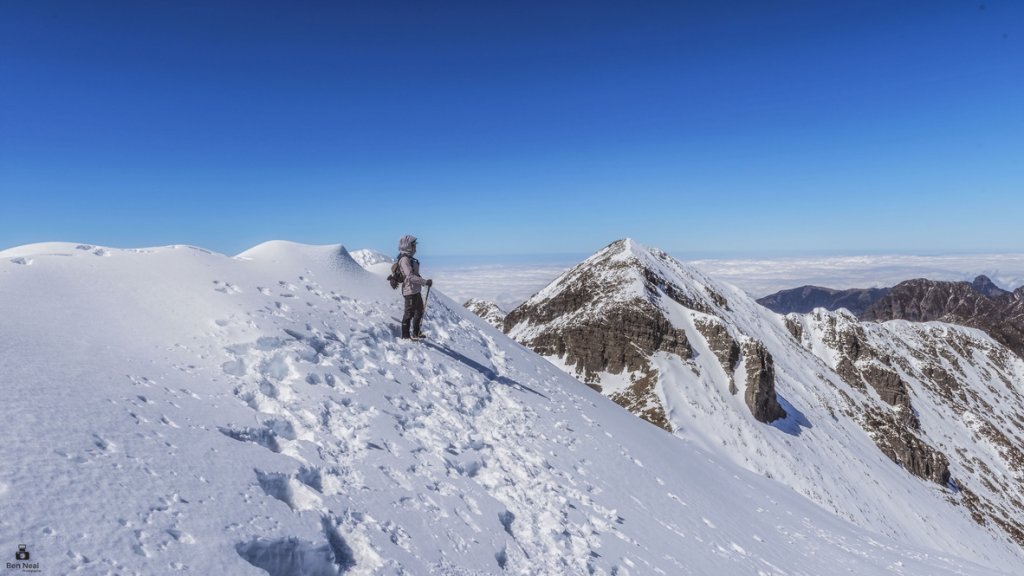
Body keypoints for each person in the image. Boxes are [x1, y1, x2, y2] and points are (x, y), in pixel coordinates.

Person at [397, 235, 432, 340]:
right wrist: (424, 282)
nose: (415, 248)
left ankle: (416, 333)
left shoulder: (410, 258)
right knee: (408, 314)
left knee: (419, 311)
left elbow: (414, 274)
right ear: (408, 246)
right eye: (414, 245)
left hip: (415, 290)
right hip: (409, 291)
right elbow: (410, 277)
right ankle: (405, 336)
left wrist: (422, 281)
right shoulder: (404, 260)